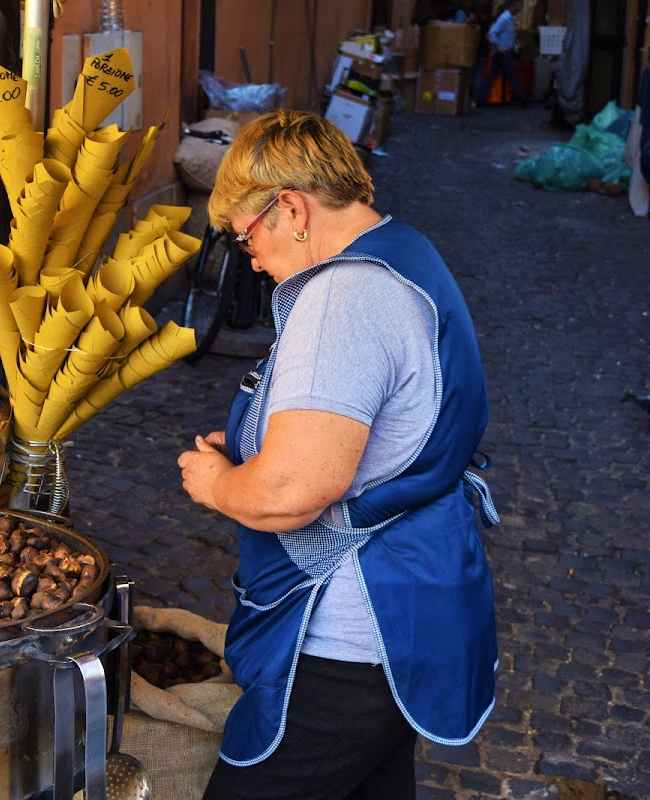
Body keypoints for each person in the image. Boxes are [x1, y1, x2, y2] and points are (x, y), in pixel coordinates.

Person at [177, 109, 500, 800]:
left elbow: (292, 489)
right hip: (411, 612)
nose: (250, 259)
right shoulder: (404, 249)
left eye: (245, 237)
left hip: (347, 636)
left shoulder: (343, 298)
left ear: (290, 208)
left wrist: (218, 483)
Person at [476, 0, 530, 106]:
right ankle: (523, 99)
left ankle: (481, 98)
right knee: (512, 75)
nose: (520, 9)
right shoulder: (504, 19)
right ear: (513, 6)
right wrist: (498, 46)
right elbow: (492, 33)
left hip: (503, 52)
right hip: (503, 53)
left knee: (492, 75)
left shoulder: (508, 18)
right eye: (518, 6)